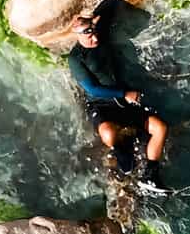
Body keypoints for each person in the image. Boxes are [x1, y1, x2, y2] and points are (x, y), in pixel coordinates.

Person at [69, 10, 167, 182]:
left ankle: (151, 176)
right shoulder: (76, 59)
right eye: (90, 37)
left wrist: (92, 17)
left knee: (160, 128)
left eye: (95, 33)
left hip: (125, 101)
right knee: (108, 133)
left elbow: (110, 6)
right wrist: (124, 93)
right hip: (102, 104)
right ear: (78, 37)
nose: (96, 39)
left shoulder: (101, 35)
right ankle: (121, 148)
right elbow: (92, 89)